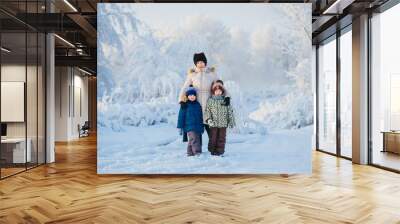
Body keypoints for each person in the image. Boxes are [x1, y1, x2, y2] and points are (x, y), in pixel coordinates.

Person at [178, 52, 230, 138]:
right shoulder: (192, 75)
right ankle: (197, 149)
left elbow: (220, 86)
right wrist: (181, 100)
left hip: (209, 103)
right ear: (195, 64)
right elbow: (185, 88)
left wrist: (227, 96)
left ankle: (214, 148)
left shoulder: (211, 74)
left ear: (205, 62)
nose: (200, 64)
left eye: (202, 62)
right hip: (196, 104)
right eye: (198, 62)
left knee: (211, 128)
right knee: (197, 128)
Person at [204, 84, 235, 156]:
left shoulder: (225, 100)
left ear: (222, 92)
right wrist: (208, 119)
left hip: (223, 123)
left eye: (219, 91)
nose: (218, 92)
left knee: (221, 138)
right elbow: (207, 111)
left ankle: (220, 152)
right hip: (213, 124)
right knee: (213, 138)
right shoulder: (210, 100)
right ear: (213, 92)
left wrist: (231, 122)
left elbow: (229, 112)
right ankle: (211, 151)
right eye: (216, 90)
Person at [177, 87, 204, 156]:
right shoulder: (185, 105)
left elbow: (201, 116)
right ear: (187, 96)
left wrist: (202, 125)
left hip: (198, 126)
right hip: (189, 126)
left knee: (192, 140)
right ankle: (197, 152)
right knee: (194, 139)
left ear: (195, 96)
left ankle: (190, 152)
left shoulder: (198, 105)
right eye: (190, 95)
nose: (192, 97)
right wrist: (180, 127)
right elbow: (181, 117)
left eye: (193, 95)